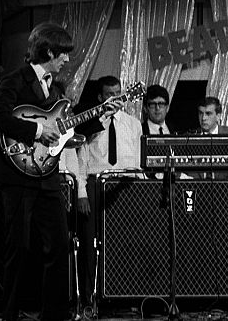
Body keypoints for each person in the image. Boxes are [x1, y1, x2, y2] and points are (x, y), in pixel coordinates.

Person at [0, 22, 121, 321]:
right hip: (17, 175)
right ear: (48, 51)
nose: (66, 60)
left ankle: (54, 315)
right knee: (18, 248)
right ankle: (8, 314)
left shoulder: (57, 90)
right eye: (63, 54)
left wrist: (102, 116)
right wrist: (36, 130)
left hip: (47, 177)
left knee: (60, 246)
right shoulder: (15, 80)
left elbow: (65, 130)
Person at [75, 75, 142, 302]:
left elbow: (138, 161)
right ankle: (88, 298)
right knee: (89, 243)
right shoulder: (89, 124)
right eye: (109, 95)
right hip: (95, 184)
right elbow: (80, 160)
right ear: (100, 97)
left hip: (124, 186)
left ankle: (123, 296)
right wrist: (81, 193)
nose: (115, 99)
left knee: (124, 242)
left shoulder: (133, 124)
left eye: (118, 93)